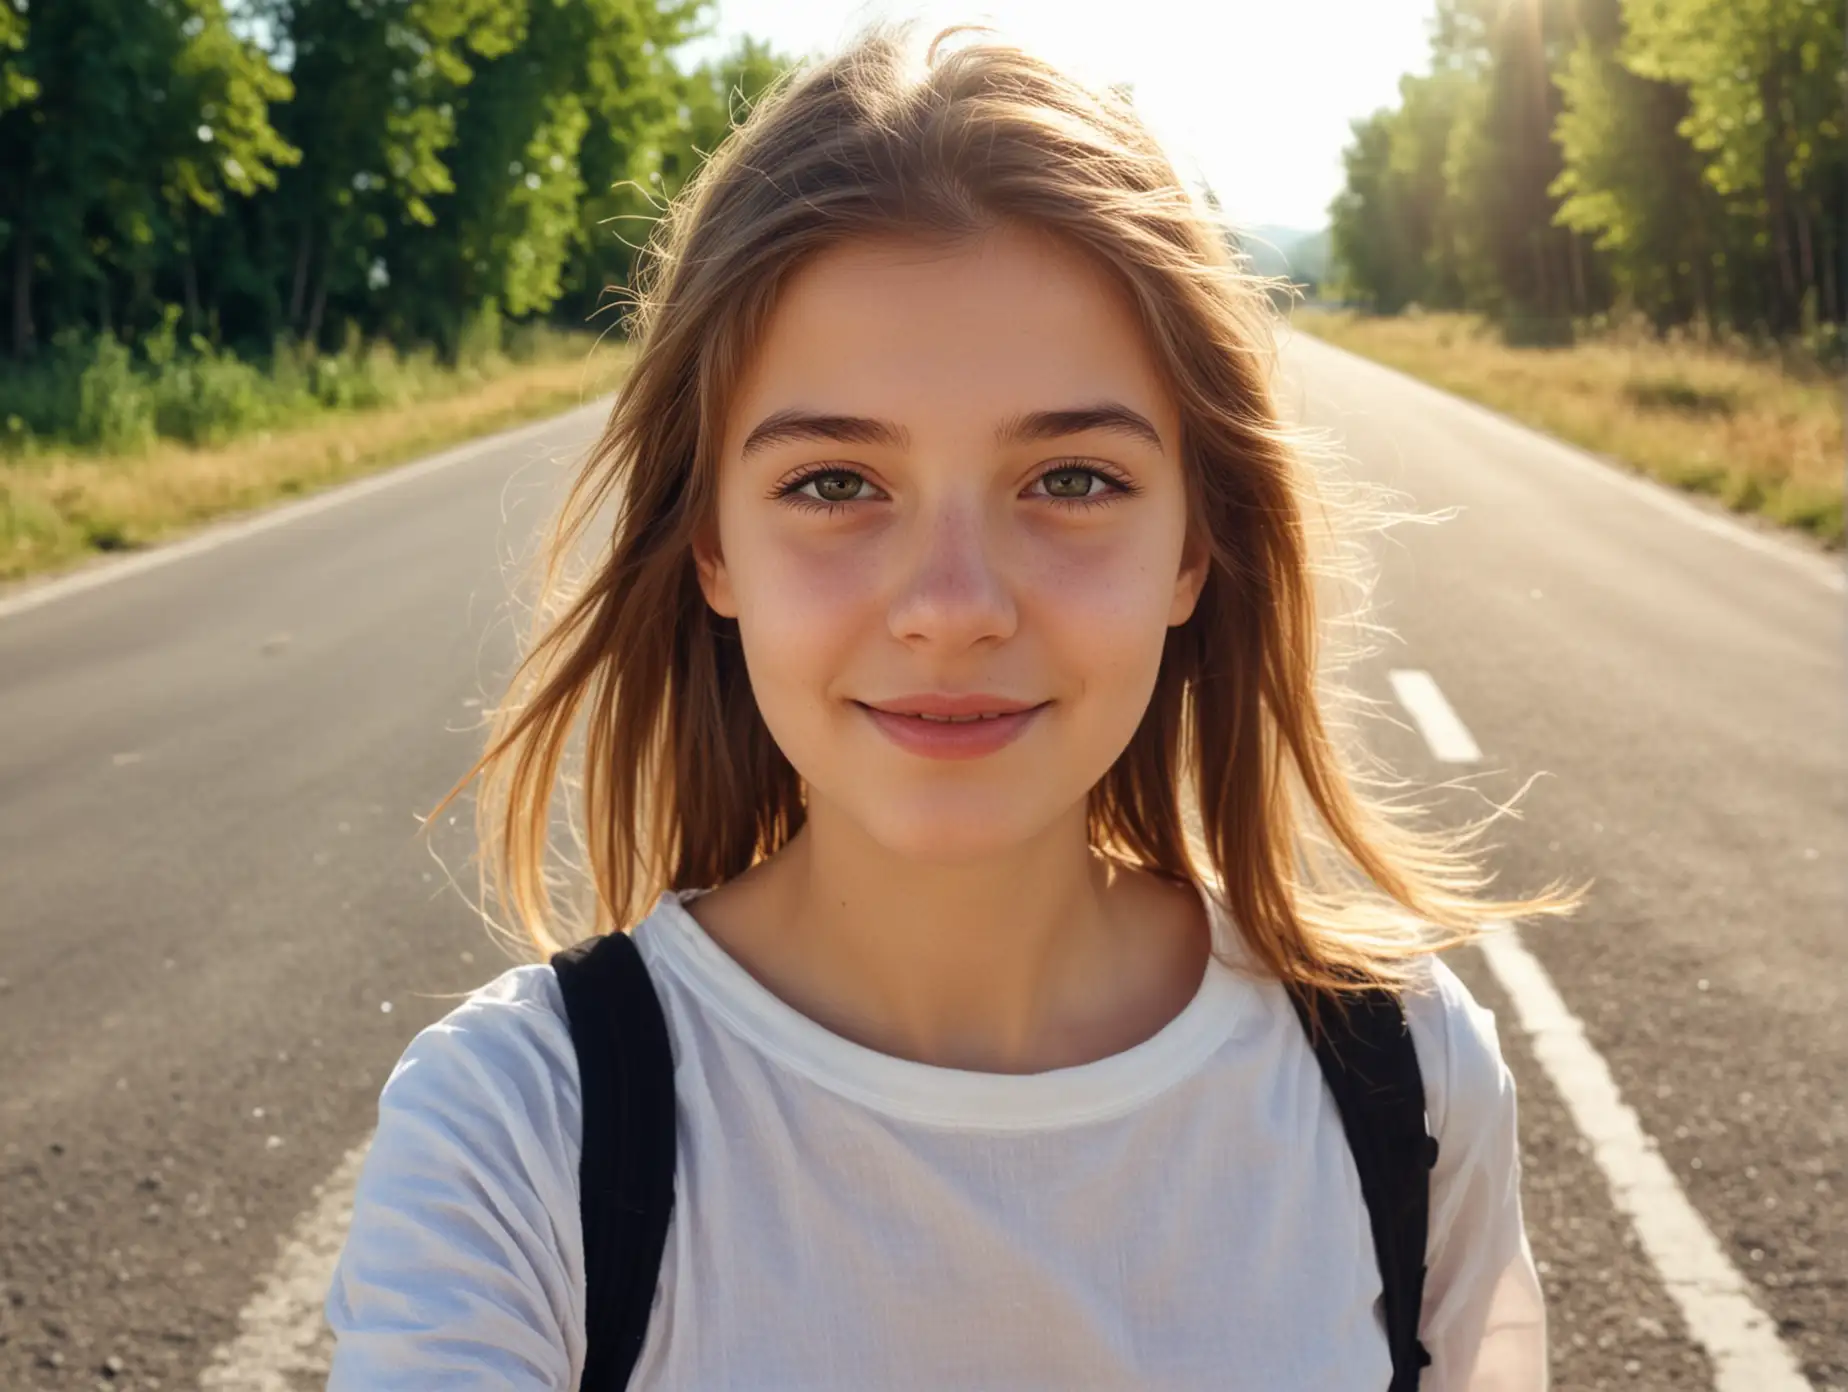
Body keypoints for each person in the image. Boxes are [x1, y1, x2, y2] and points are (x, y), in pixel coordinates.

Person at [324, 22, 1581, 1390]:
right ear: (712, 549)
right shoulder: (514, 1135)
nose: (953, 604)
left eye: (1074, 480)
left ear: (1193, 548)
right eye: (834, 484)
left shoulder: (1401, 1075)